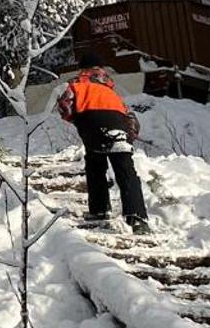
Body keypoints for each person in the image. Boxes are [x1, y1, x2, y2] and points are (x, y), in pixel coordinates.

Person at [56, 65, 150, 233]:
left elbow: (65, 107)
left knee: (95, 165)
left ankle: (99, 210)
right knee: (126, 171)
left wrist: (75, 119)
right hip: (120, 128)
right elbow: (132, 119)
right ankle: (138, 218)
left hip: (92, 125)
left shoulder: (75, 86)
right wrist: (128, 137)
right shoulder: (112, 93)